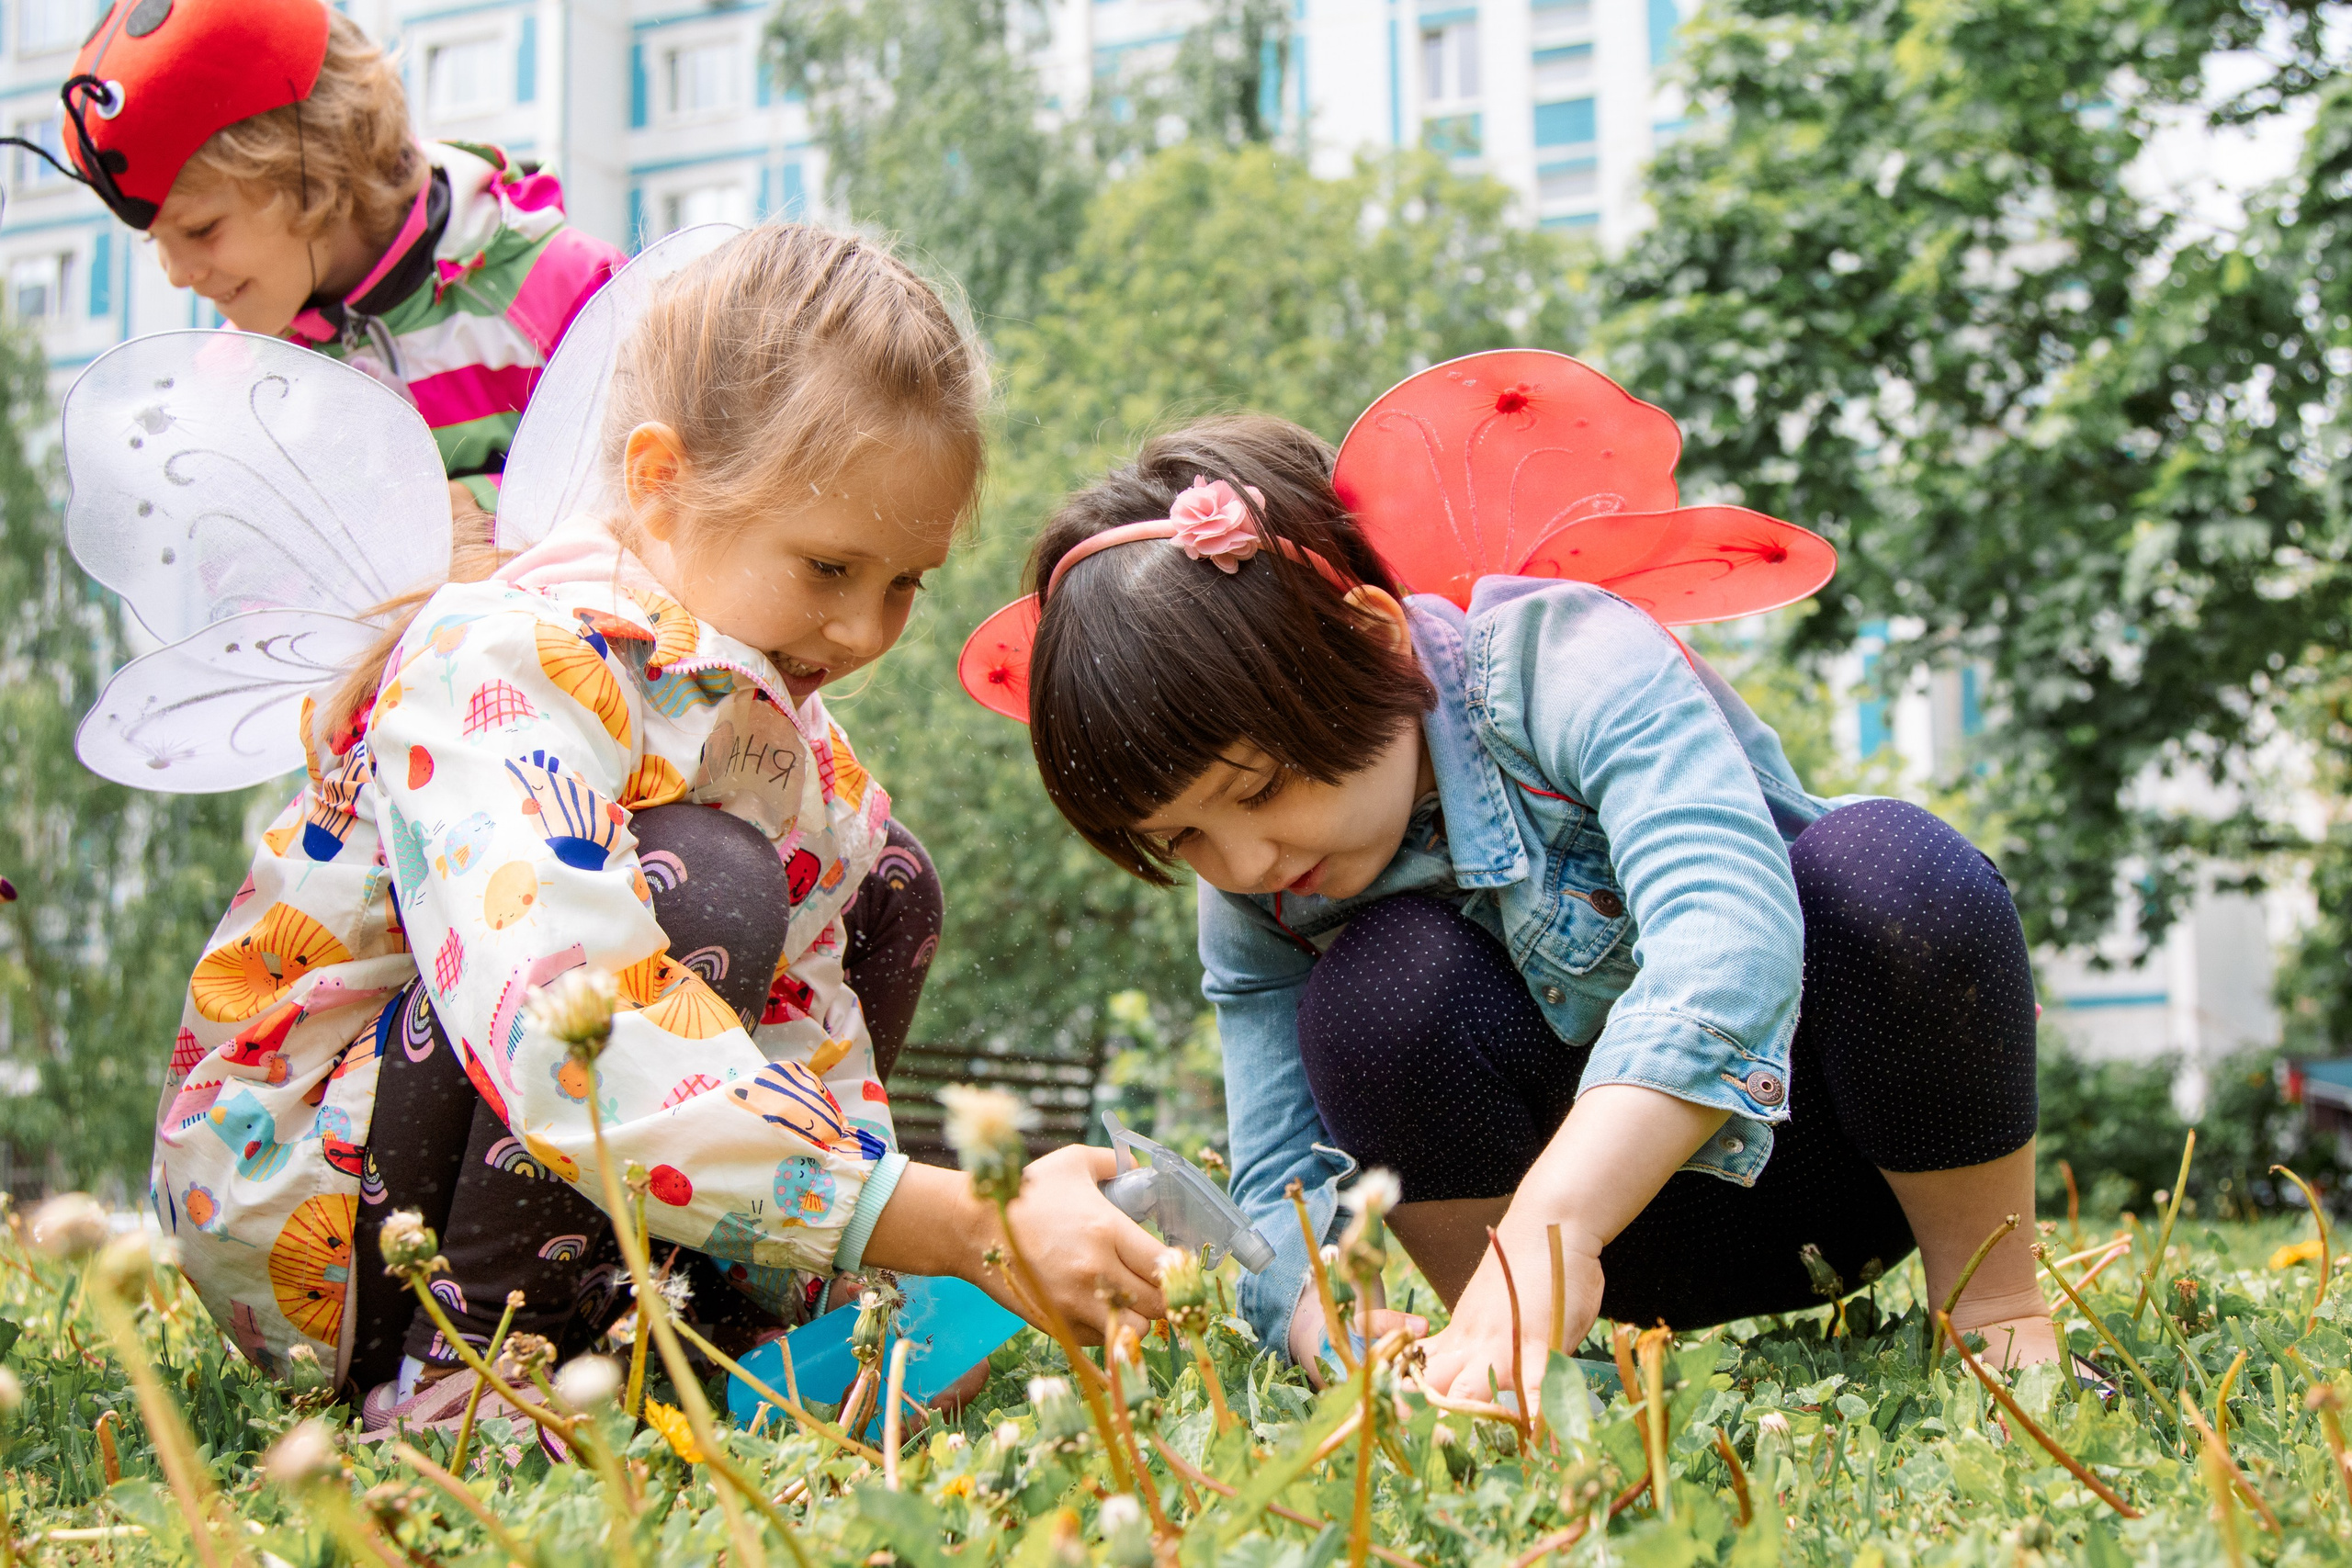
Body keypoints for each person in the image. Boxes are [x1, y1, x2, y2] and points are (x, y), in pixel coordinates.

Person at [156, 225, 1168, 1431]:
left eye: (907, 581)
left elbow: (809, 1023)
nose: (861, 630)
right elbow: (560, 1018)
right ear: (660, 483)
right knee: (713, 883)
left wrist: (859, 1272)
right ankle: (467, 1392)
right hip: (312, 1203)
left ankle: (700, 1329)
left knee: (883, 879)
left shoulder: (771, 727)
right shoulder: (499, 654)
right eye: (831, 567)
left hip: (535, 1145)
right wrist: (959, 1216)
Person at [971, 407, 2058, 1399]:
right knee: (1378, 990)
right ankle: (1532, 1370)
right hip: (1605, 1266)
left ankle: (1996, 1310)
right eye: (1184, 838)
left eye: (1258, 790)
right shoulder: (1266, 888)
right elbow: (1275, 1172)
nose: (1245, 860)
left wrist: (1552, 1221)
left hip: (1844, 1158)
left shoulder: (1562, 659)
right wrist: (1320, 1325)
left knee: (1892, 866)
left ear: (1370, 635)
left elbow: (1728, 940)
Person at [49, 0, 623, 524]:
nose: (177, 272)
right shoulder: (236, 382)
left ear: (316, 159)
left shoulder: (568, 292)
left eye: (202, 229)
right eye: (156, 241)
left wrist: (486, 516)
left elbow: (665, 490)